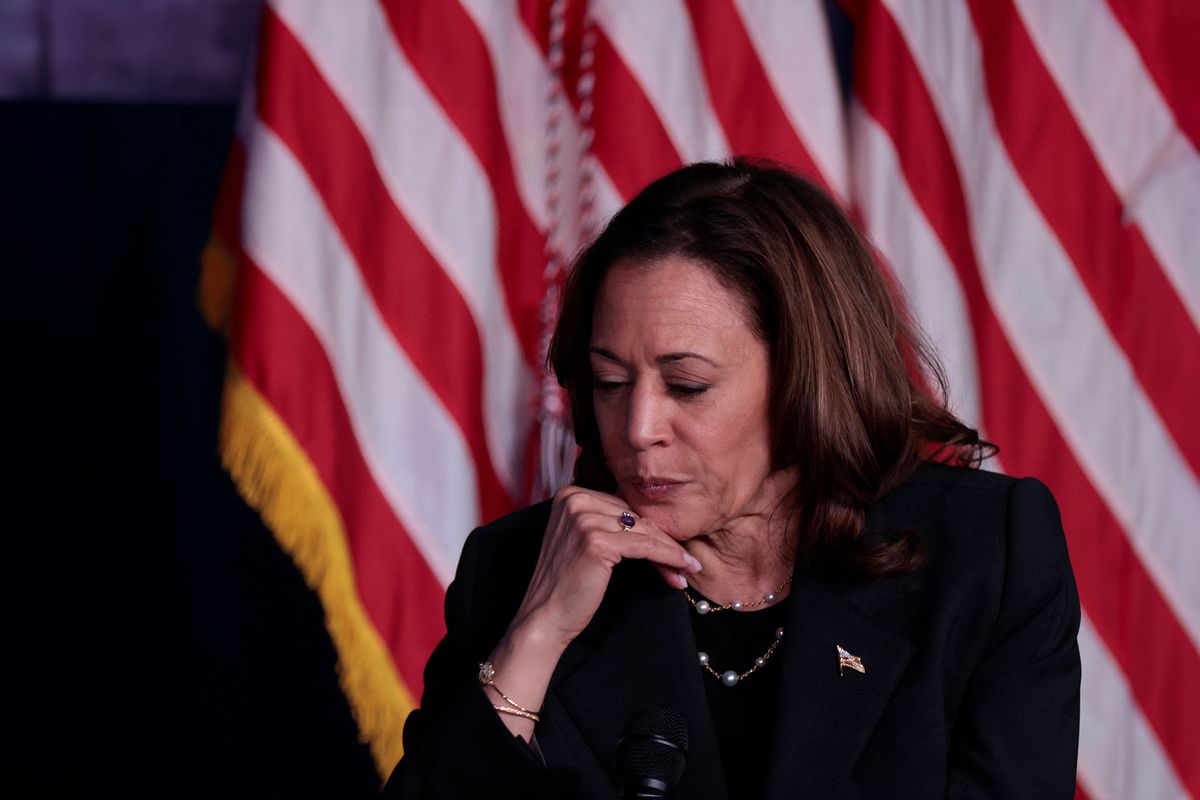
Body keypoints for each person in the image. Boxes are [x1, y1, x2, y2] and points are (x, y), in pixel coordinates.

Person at [382, 160, 1080, 799]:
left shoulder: (986, 559)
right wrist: (535, 638)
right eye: (610, 382)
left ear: (804, 381)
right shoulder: (514, 574)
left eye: (687, 385)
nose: (638, 427)